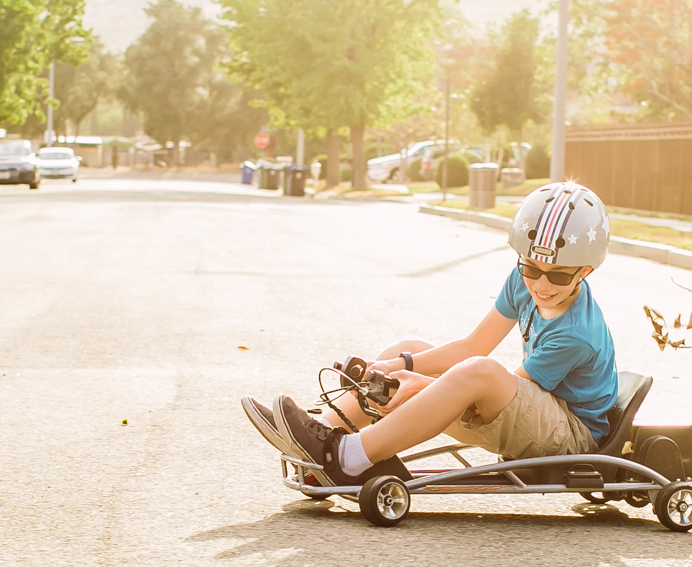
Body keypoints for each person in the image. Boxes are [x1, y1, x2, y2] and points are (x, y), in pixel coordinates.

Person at [240, 182, 620, 486]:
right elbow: (473, 345)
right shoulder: (524, 282)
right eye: (532, 268)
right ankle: (323, 431)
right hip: (537, 413)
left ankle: (345, 457)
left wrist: (417, 385)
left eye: (558, 275)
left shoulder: (576, 333)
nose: (541, 283)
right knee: (412, 348)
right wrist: (398, 364)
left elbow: (490, 395)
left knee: (480, 372)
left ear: (586, 271)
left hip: (571, 435)